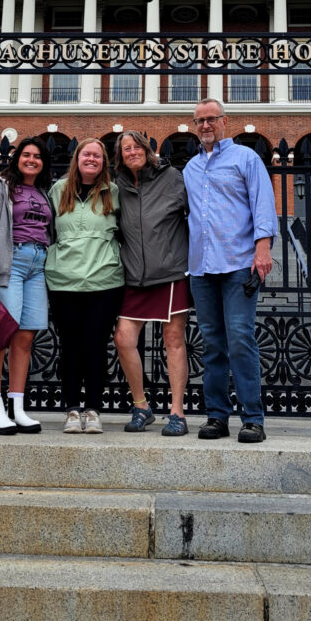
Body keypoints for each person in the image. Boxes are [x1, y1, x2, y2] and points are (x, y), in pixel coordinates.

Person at [183, 99, 277, 443]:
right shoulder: (191, 168)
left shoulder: (246, 158)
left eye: (211, 119)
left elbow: (263, 202)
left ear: (225, 121)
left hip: (239, 263)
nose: (205, 125)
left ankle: (253, 418)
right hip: (201, 268)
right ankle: (217, 417)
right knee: (212, 344)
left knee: (240, 339)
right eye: (199, 121)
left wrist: (263, 248)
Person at [0, 136, 53, 435]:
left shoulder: (44, 193)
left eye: (37, 156)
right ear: (16, 159)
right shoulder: (1, 188)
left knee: (25, 338)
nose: (32, 160)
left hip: (37, 267)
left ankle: (17, 406)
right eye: (26, 154)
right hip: (9, 265)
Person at [114, 131, 191, 436]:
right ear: (120, 156)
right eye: (126, 149)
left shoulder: (172, 177)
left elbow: (196, 213)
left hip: (171, 271)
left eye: (136, 147)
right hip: (134, 275)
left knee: (173, 339)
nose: (132, 152)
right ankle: (142, 406)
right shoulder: (117, 184)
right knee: (123, 338)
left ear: (147, 149)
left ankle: (177, 412)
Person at [45, 138, 124, 434]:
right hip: (64, 280)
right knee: (70, 347)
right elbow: (46, 231)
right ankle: (71, 410)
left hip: (105, 281)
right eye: (86, 154)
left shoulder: (113, 192)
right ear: (77, 158)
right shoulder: (58, 190)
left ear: (104, 161)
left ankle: (93, 409)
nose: (92, 159)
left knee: (95, 346)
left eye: (98, 155)